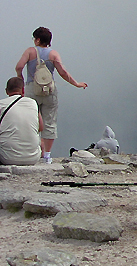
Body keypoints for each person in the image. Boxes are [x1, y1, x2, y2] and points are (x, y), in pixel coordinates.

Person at [15, 27, 87, 163]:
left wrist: (20, 79)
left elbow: (19, 66)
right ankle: (47, 155)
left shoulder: (30, 51)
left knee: (31, 121)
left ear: (37, 39)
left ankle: (32, 152)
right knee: (50, 121)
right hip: (49, 90)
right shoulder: (53, 54)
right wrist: (77, 84)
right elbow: (63, 72)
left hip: (32, 89)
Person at [0, 77, 42, 166]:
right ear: (23, 89)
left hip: (7, 158)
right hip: (33, 158)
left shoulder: (1, 104)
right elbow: (41, 127)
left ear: (6, 91)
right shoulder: (33, 103)